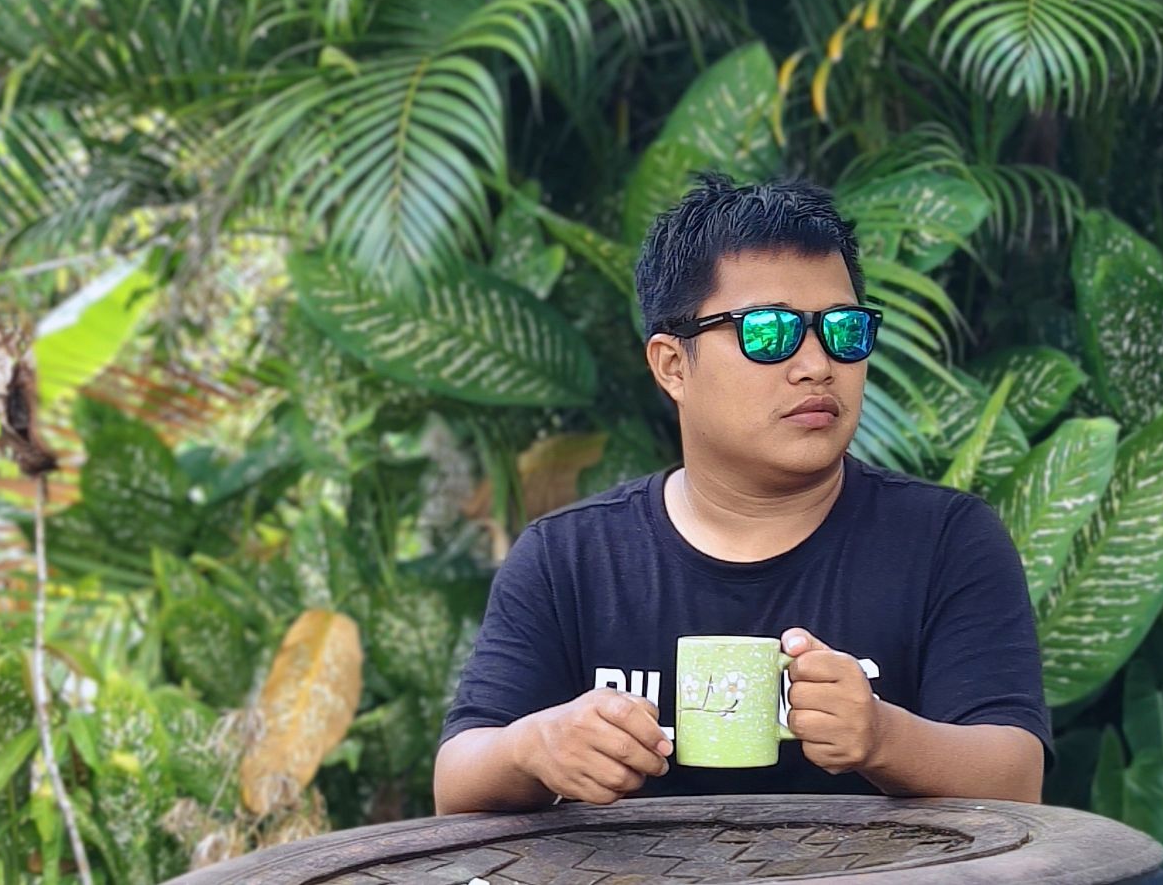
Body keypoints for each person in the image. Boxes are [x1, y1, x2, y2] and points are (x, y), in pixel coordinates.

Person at [433, 173, 1049, 812]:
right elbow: (459, 781)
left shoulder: (944, 541)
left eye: (843, 330)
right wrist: (535, 747)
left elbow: (1015, 781)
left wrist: (884, 737)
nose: (816, 364)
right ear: (673, 365)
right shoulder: (570, 559)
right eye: (768, 332)